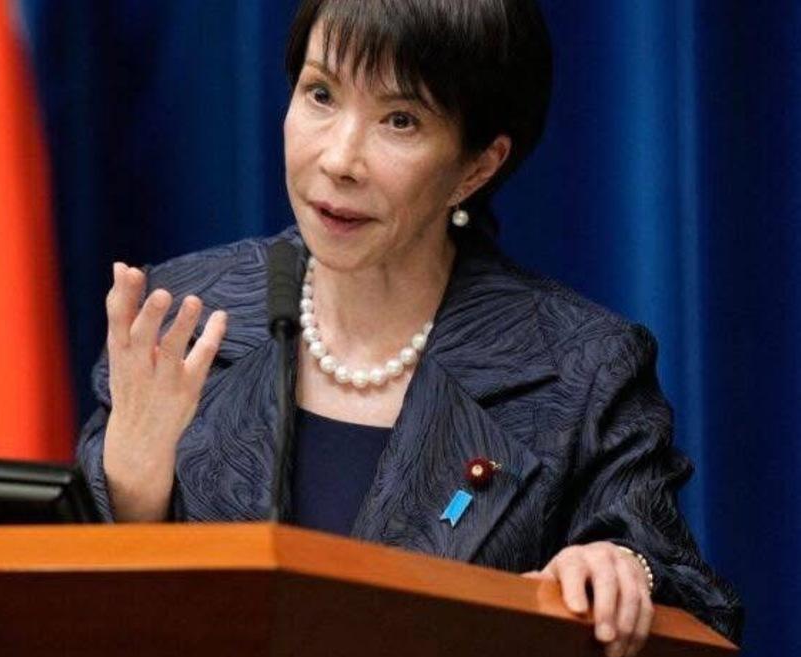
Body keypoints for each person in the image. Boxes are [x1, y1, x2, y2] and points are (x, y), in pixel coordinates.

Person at [74, 0, 743, 654]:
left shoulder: (580, 370)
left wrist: (624, 569)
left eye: (400, 120)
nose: (340, 159)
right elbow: (69, 607)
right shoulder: (180, 319)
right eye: (321, 94)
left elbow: (692, 602)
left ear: (477, 166)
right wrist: (133, 495)